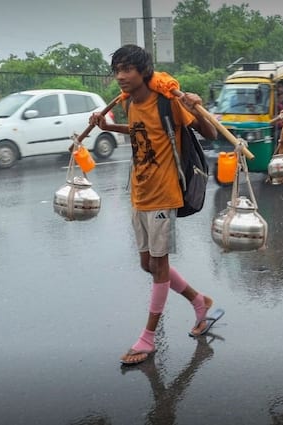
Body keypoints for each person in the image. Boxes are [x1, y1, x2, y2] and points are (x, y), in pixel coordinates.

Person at [88, 44, 219, 365]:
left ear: (143, 72)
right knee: (147, 265)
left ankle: (147, 339)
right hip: (140, 192)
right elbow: (140, 134)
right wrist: (109, 128)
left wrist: (196, 107)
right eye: (117, 70)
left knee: (158, 267)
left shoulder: (167, 102)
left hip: (164, 194)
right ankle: (199, 300)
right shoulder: (132, 103)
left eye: (127, 70)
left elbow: (211, 133)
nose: (120, 76)